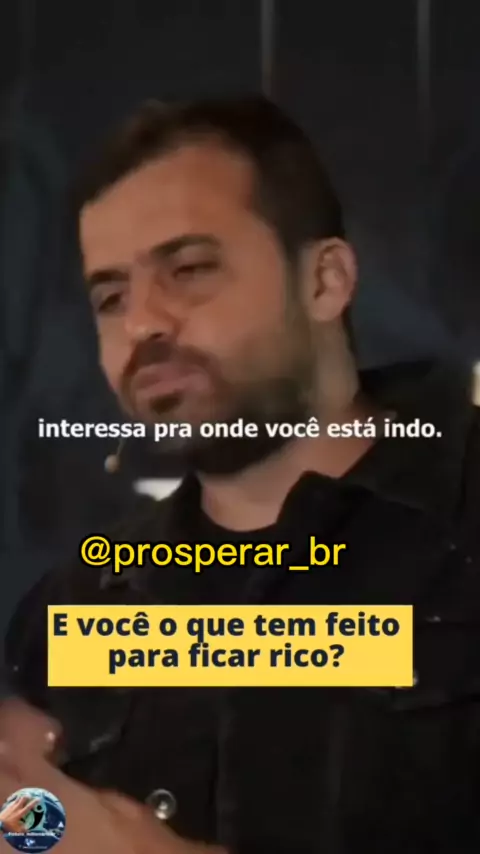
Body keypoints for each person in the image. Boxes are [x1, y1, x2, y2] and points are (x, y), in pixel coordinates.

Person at [1, 95, 480, 854]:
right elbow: (36, 826)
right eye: (111, 296)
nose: (143, 322)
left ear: (325, 280)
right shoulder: (72, 607)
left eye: (190, 268)